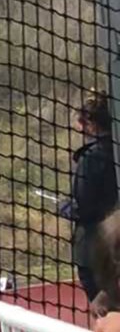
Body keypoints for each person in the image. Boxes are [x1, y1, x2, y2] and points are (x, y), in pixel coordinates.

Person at [59, 90, 118, 313]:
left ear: (90, 122)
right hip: (114, 240)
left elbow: (84, 206)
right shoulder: (114, 149)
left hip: (95, 245)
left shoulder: (92, 156)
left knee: (103, 307)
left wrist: (65, 207)